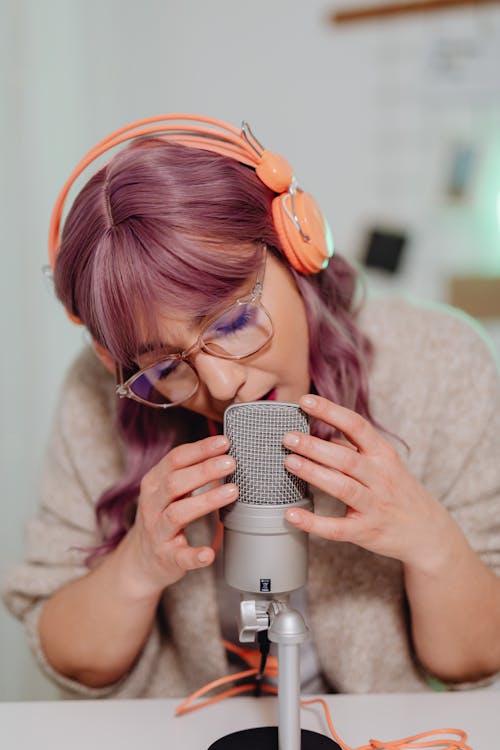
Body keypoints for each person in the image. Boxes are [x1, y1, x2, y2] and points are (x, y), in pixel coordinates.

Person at [3, 115, 500, 700]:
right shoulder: (99, 391)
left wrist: (428, 541)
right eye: (165, 366)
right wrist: (138, 565)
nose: (220, 382)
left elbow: (473, 662)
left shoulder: (440, 362)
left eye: (235, 320)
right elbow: (70, 658)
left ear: (297, 249)